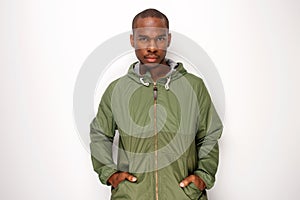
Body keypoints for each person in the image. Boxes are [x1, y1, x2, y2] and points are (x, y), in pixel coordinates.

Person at [90, 8, 223, 200]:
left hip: (184, 196)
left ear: (168, 39)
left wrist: (203, 176)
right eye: (143, 38)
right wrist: (110, 174)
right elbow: (100, 135)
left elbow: (209, 135)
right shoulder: (117, 90)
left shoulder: (193, 86)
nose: (152, 47)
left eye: (159, 38)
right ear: (132, 40)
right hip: (132, 196)